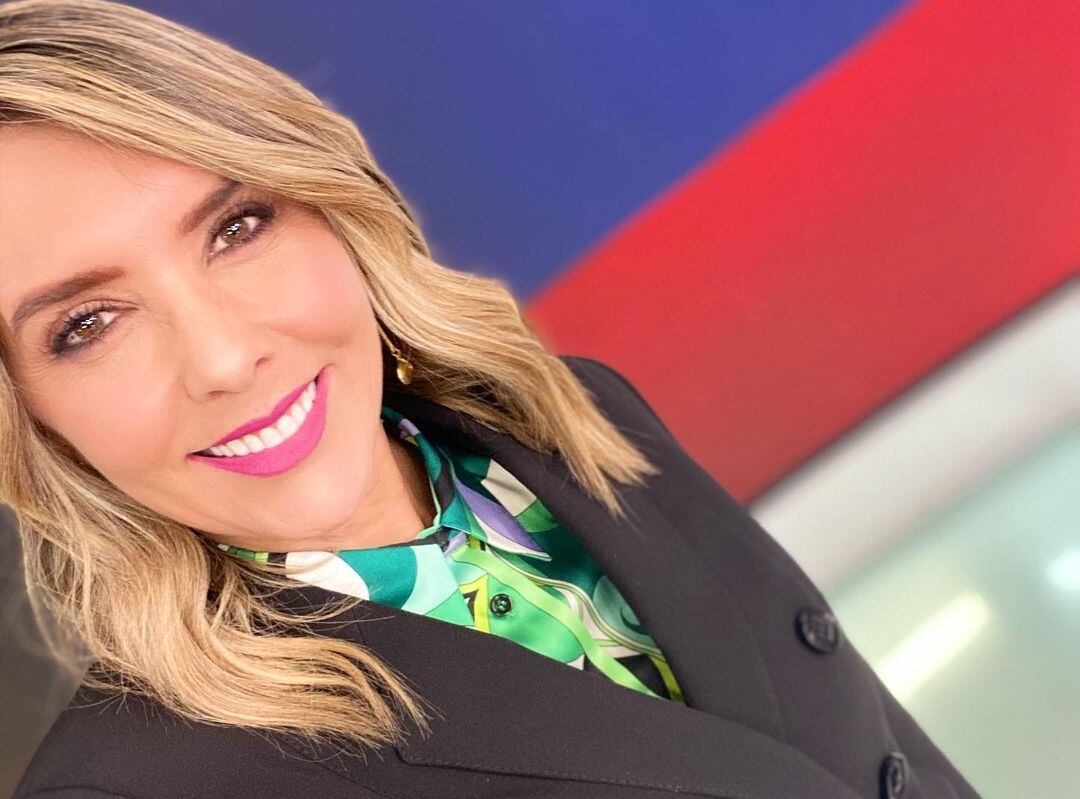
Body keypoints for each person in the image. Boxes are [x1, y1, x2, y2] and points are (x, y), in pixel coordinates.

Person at [0, 1, 981, 797]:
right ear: (26, 414)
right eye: (87, 325)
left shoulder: (568, 419)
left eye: (237, 227)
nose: (222, 356)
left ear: (334, 206)